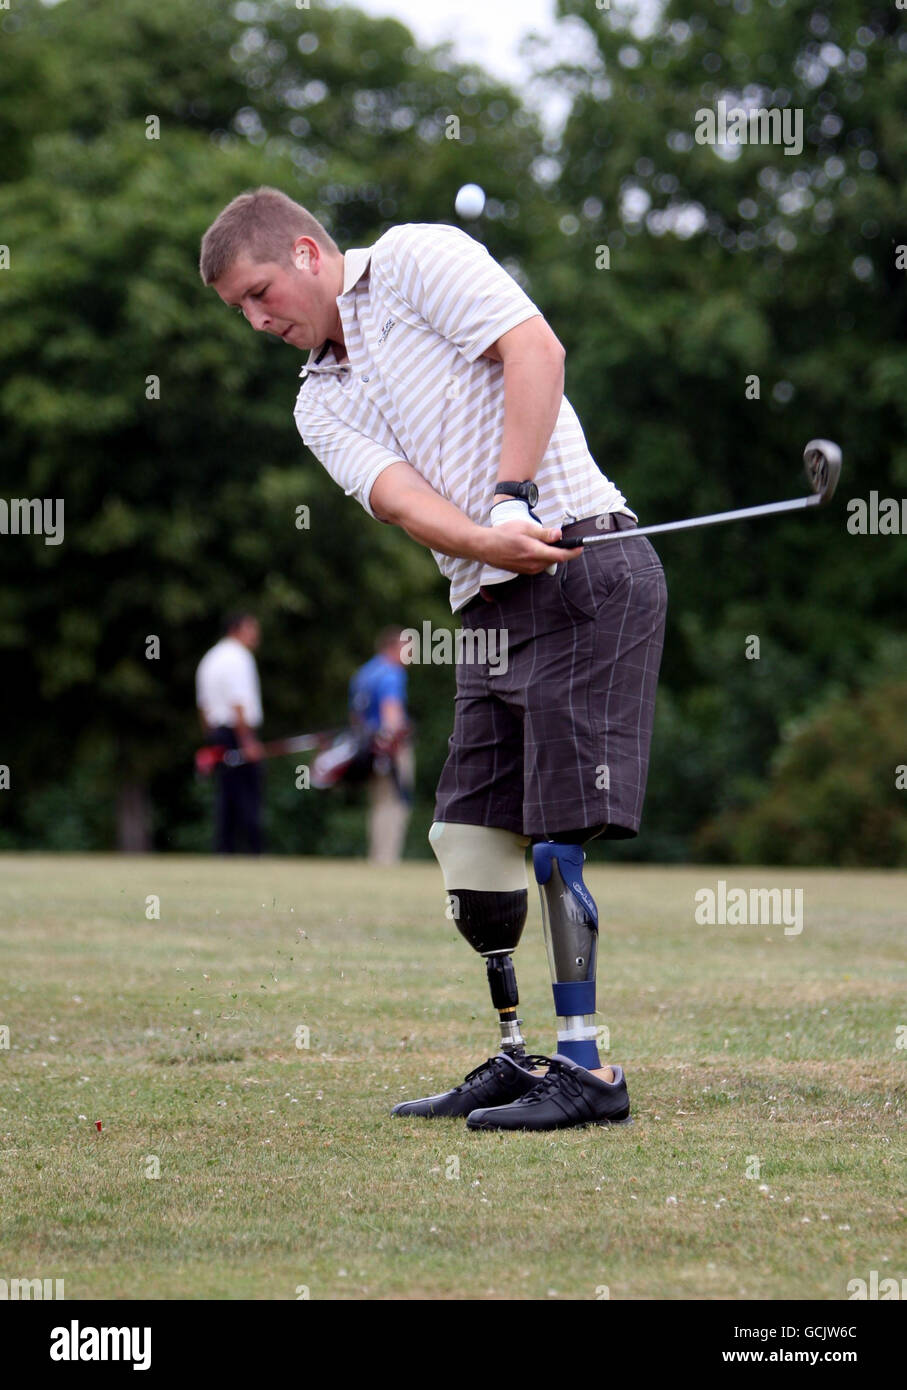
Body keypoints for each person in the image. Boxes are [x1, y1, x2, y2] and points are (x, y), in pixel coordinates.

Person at [199, 187, 667, 1130]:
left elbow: (536, 349)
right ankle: (519, 1055)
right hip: (487, 601)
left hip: (586, 569)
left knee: (554, 835)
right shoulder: (316, 401)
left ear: (303, 250)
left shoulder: (416, 258)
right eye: (239, 311)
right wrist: (487, 540)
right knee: (468, 843)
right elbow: (402, 500)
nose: (257, 320)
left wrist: (511, 495)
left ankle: (589, 1073)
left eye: (259, 292)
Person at [195, 612, 265, 855]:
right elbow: (238, 703)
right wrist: (248, 741)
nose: (256, 634)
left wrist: (211, 738)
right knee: (248, 796)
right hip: (237, 732)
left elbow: (203, 706)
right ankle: (252, 852)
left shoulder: (211, 657)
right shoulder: (239, 657)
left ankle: (225, 850)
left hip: (218, 733)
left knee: (227, 795)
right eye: (251, 628)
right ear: (236, 629)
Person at [349, 627, 413, 865]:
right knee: (394, 804)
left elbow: (355, 716)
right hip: (388, 748)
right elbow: (392, 714)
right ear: (393, 647)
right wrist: (392, 743)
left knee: (377, 803)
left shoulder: (363, 673)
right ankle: (386, 859)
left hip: (365, 747)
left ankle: (376, 856)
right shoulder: (392, 673)